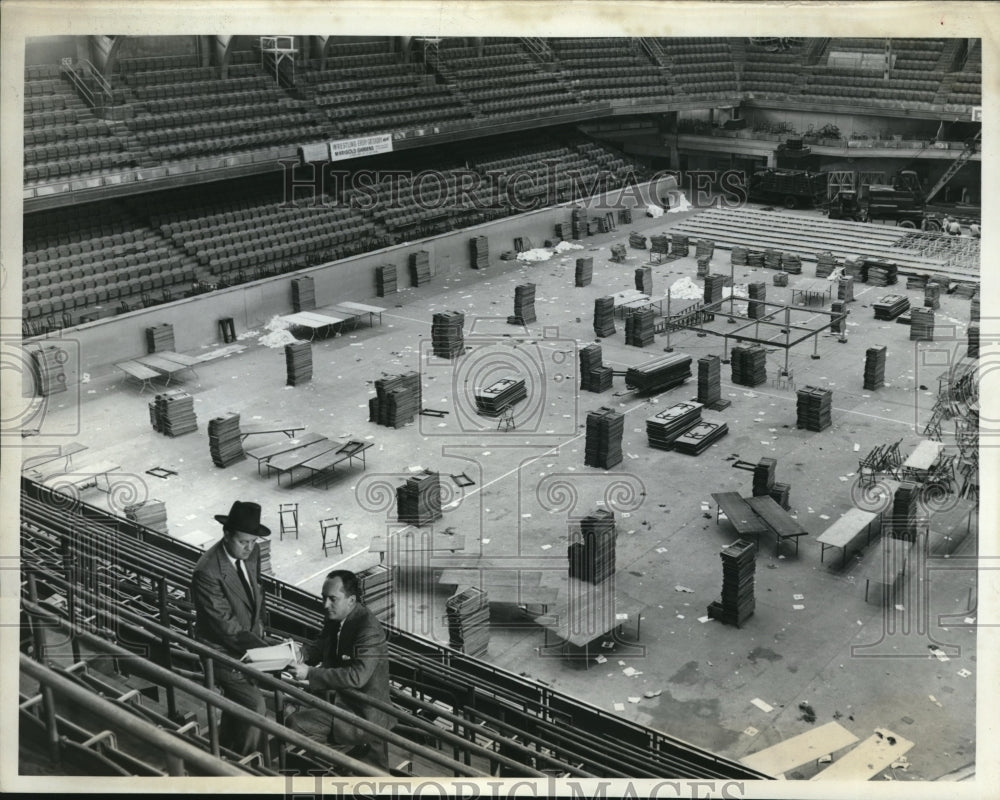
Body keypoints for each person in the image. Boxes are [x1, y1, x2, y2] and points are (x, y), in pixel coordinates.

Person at [288, 570, 395, 766]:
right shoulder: (336, 615)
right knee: (291, 712)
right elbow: (323, 644)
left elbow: (357, 676)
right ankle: (339, 762)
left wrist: (309, 673)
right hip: (341, 700)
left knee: (296, 723)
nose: (325, 605)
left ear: (351, 600)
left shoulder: (368, 629)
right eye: (323, 598)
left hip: (362, 712)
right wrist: (301, 653)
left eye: (332, 599)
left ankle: (339, 761)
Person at [191, 500, 271, 756]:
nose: (249, 548)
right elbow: (226, 626)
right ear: (226, 535)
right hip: (220, 650)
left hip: (248, 643)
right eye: (243, 542)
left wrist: (260, 634)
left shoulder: (253, 553)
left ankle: (226, 746)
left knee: (239, 705)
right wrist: (268, 652)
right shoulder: (207, 571)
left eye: (253, 542)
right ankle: (246, 766)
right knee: (255, 706)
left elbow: (255, 596)